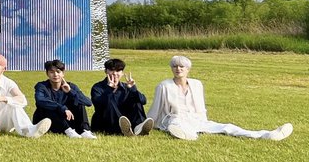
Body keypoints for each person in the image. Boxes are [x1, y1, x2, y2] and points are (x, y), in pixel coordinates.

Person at [148, 55, 293, 142]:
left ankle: (265, 135)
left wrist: (204, 121)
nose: (178, 69)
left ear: (188, 69)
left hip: (195, 119)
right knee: (178, 125)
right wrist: (146, 124)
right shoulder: (164, 86)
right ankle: (185, 134)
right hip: (175, 118)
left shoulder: (197, 84)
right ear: (171, 68)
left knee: (227, 127)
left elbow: (201, 106)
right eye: (175, 66)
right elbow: (156, 108)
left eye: (181, 66)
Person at [33, 59, 96, 139]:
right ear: (47, 74)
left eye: (58, 72)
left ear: (63, 73)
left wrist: (70, 91)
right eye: (52, 72)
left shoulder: (71, 86)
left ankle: (84, 131)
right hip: (49, 121)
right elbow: (40, 101)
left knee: (79, 101)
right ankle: (68, 130)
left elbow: (88, 103)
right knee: (48, 106)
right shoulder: (41, 86)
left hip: (68, 120)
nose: (55, 74)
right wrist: (62, 108)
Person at [90, 58, 153, 136]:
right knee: (109, 100)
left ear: (122, 73)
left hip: (125, 121)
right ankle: (124, 129)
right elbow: (99, 105)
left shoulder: (126, 87)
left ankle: (138, 127)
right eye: (111, 70)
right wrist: (109, 89)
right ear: (106, 71)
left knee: (135, 98)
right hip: (106, 122)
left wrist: (133, 89)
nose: (115, 73)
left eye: (118, 71)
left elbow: (143, 101)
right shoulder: (97, 87)